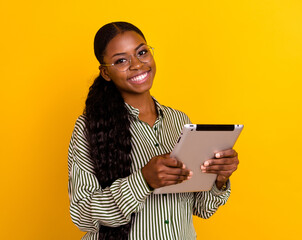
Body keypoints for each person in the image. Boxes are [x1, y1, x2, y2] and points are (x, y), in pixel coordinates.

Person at [68, 22, 239, 240]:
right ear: (106, 73)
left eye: (142, 52)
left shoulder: (179, 121)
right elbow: (82, 214)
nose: (137, 64)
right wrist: (143, 180)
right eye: (121, 60)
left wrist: (219, 179)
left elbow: (202, 208)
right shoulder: (88, 128)